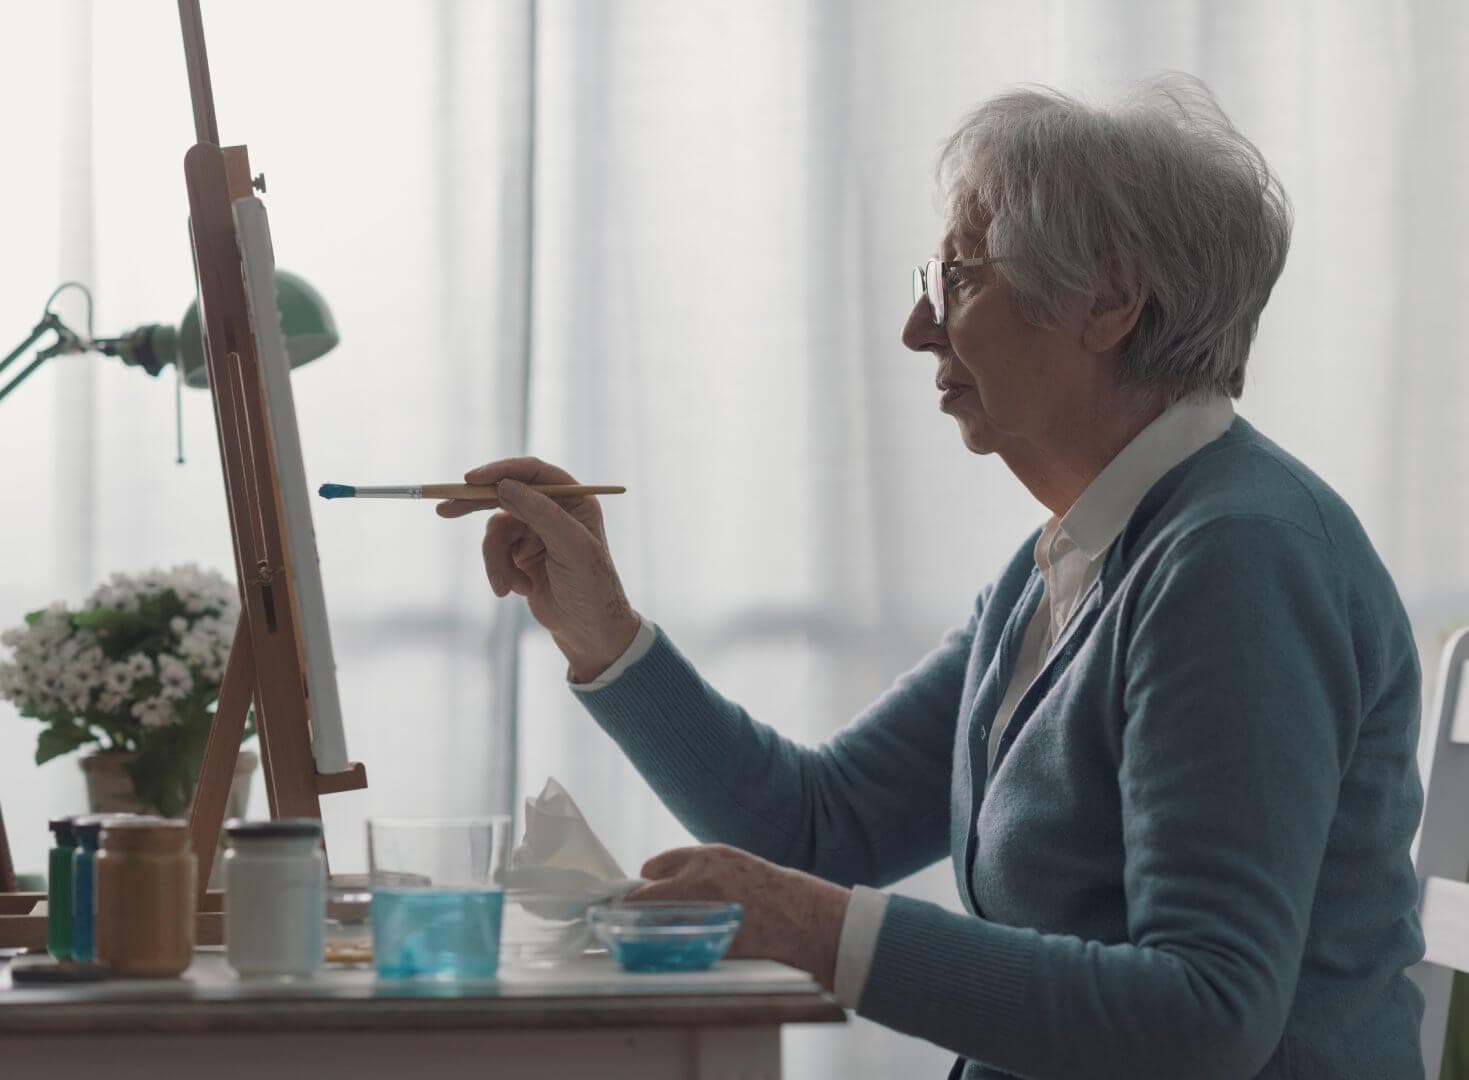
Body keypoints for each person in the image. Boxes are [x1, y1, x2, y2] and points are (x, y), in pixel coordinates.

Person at [438, 74, 1425, 1079]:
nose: (919, 325)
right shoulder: (1066, 563)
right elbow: (818, 830)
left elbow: (1203, 1016)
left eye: (959, 276)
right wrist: (598, 631)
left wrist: (821, 931)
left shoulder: (1237, 560)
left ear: (1109, 302)